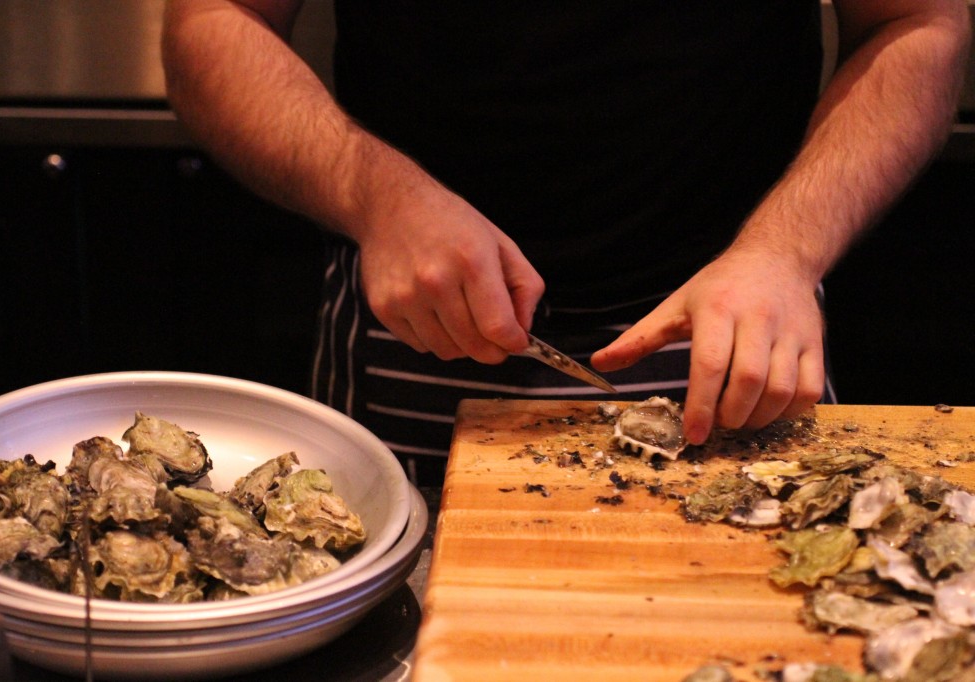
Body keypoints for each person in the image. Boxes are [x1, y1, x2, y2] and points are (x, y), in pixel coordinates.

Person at [162, 1, 970, 485]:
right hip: (417, 322)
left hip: (744, 325)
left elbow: (917, 22)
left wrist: (786, 253)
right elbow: (216, 21)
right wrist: (375, 194)